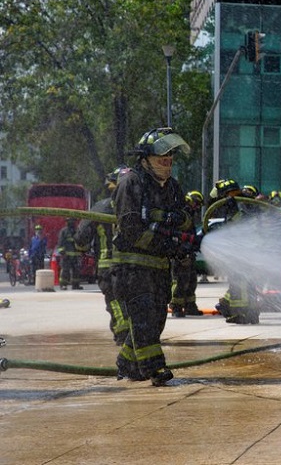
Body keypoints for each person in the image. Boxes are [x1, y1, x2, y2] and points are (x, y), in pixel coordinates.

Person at [112, 127, 194, 386]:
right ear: (145, 158)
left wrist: (180, 228)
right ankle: (155, 368)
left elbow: (186, 218)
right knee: (144, 317)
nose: (167, 163)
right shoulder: (131, 182)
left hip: (160, 269)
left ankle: (127, 362)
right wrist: (163, 242)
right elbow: (130, 228)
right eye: (162, 159)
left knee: (155, 320)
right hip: (133, 268)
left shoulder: (172, 186)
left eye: (170, 160)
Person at [75, 165, 130, 344]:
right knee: (131, 299)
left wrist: (82, 248)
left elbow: (82, 238)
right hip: (135, 265)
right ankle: (134, 333)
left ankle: (124, 333)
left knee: (115, 300)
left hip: (108, 265)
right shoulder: (139, 207)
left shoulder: (100, 208)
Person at [215, 181, 262, 324]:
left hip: (243, 252)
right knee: (247, 284)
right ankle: (251, 313)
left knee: (239, 283)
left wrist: (232, 210)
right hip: (247, 251)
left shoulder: (243, 205)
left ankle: (241, 313)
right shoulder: (244, 204)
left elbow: (240, 224)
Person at [170, 191, 205, 318]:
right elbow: (175, 234)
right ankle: (176, 306)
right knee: (179, 281)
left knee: (191, 281)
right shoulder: (181, 214)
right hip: (180, 254)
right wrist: (180, 250)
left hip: (189, 253)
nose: (197, 207)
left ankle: (190, 306)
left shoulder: (189, 215)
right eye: (196, 204)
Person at [57, 218, 83, 290]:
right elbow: (60, 243)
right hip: (66, 256)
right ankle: (63, 285)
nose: (72, 222)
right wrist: (63, 253)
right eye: (70, 221)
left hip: (76, 255)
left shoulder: (77, 231)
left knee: (76, 271)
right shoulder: (64, 231)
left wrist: (81, 252)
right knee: (65, 271)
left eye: (73, 221)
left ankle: (75, 285)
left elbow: (80, 242)